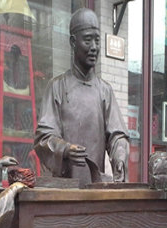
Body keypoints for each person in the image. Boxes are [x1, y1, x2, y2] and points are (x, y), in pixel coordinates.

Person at [34, 8, 129, 186]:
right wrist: (65, 149)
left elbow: (117, 135)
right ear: (73, 42)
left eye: (97, 40)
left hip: (95, 188)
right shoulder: (57, 87)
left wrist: (120, 155)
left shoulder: (105, 91)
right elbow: (44, 138)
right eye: (87, 40)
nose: (94, 47)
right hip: (64, 190)